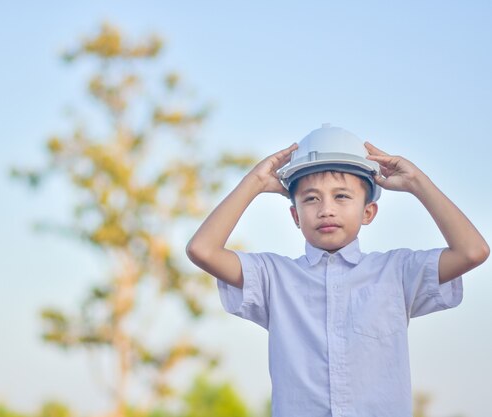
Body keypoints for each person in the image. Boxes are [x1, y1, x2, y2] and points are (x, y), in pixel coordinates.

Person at [185, 124, 489, 417]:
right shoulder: (272, 277)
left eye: (342, 196)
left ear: (368, 211)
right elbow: (203, 250)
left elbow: (472, 251)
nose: (326, 209)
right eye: (311, 198)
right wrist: (253, 182)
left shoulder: (397, 271)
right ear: (295, 215)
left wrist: (416, 183)